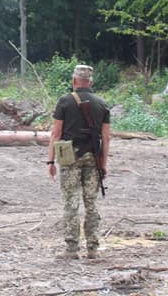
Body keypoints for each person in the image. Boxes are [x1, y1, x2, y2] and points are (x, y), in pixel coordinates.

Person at [47, 64, 111, 260]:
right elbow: (106, 138)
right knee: (91, 203)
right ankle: (93, 248)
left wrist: (50, 160)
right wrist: (103, 163)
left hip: (69, 158)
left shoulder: (64, 102)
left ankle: (72, 249)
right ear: (90, 82)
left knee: (71, 203)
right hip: (93, 157)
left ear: (74, 81)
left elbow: (56, 134)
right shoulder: (102, 104)